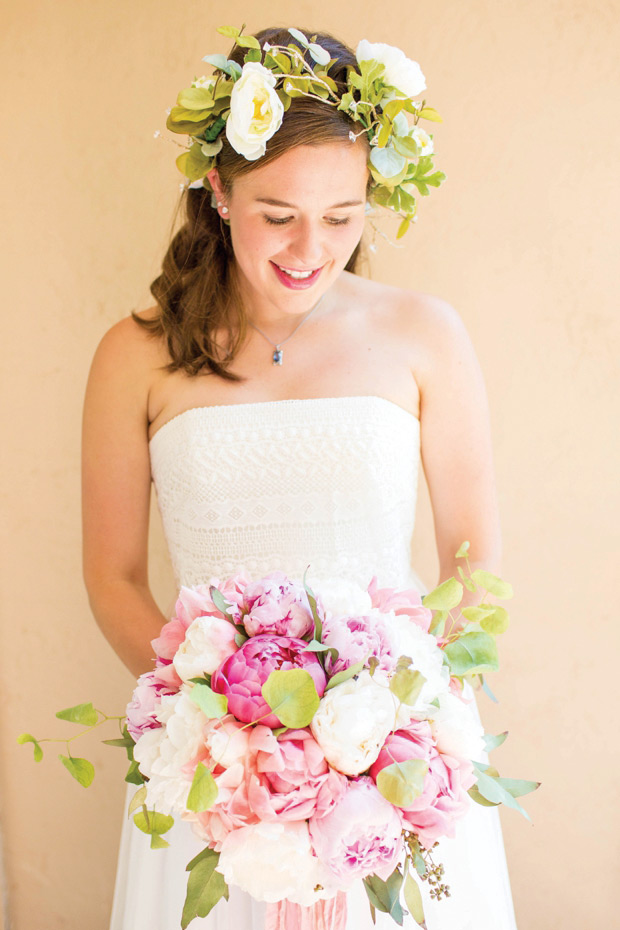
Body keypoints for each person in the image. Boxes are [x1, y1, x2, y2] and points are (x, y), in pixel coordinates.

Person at [82, 25, 517, 930]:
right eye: (277, 214)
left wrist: (386, 732)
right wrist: (219, 729)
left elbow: (474, 568)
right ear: (218, 194)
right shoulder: (134, 356)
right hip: (212, 769)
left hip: (394, 764)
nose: (310, 248)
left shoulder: (425, 335)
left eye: (343, 216)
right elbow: (113, 577)